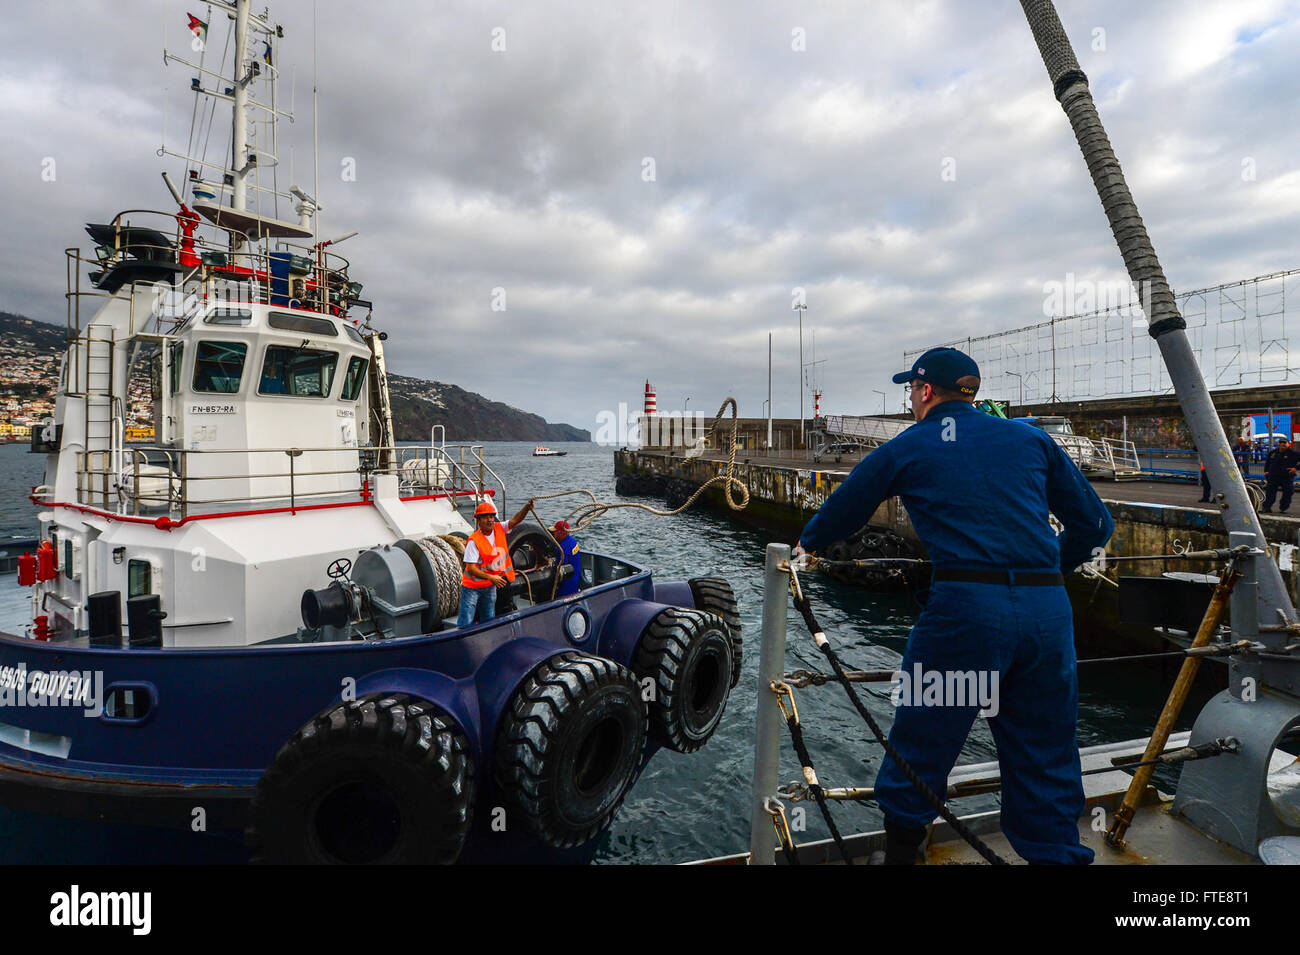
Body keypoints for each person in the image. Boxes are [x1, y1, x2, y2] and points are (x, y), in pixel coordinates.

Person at [796, 346, 1113, 865]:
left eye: (910, 391)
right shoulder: (1031, 438)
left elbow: (837, 517)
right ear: (971, 392)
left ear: (923, 391)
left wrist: (806, 546)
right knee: (1045, 751)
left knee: (925, 732)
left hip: (966, 612)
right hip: (1047, 612)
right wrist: (1048, 570)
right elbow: (1096, 526)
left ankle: (903, 854)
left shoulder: (911, 443)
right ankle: (1056, 857)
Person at [457, 497, 533, 626]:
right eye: (486, 517)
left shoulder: (499, 528)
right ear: (478, 520)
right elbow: (471, 568)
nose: (490, 520)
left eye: (492, 516)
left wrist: (526, 508)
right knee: (466, 620)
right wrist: (490, 577)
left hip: (490, 585)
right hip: (472, 588)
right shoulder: (474, 541)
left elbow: (515, 520)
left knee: (489, 618)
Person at [1261, 439, 1299, 514]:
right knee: (1270, 493)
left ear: (1288, 444)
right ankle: (1266, 507)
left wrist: (1296, 468)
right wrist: (1266, 471)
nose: (1282, 446)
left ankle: (1283, 508)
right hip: (1273, 476)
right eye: (1280, 444)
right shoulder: (1273, 453)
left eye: (1284, 444)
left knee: (1288, 492)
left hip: (1286, 476)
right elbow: (1268, 462)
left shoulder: (1293, 453)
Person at [550, 520, 583, 597]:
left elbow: (562, 570)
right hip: (574, 582)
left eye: (555, 532)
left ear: (561, 533)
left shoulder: (562, 548)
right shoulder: (572, 541)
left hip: (564, 588)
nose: (553, 534)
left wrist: (556, 585)